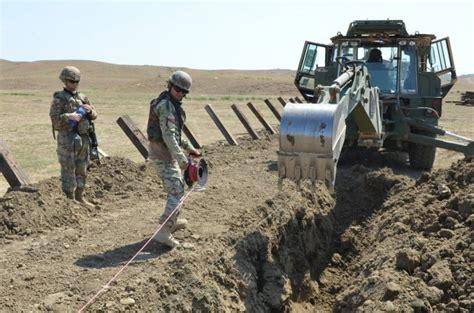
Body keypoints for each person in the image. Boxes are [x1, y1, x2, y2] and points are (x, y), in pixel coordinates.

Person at [147, 70, 200, 248]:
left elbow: (175, 135)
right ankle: (163, 231)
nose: (181, 94)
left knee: (177, 188)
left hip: (167, 152)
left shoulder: (171, 104)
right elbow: (168, 136)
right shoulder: (166, 106)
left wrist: (190, 148)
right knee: (176, 191)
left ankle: (172, 220)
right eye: (178, 89)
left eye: (185, 92)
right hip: (162, 154)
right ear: (170, 86)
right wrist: (182, 158)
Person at [49, 66, 97, 207]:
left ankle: (80, 197)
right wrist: (68, 116)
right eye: (71, 81)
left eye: (77, 81)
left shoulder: (83, 97)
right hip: (67, 140)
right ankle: (69, 201)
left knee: (82, 168)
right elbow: (55, 121)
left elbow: (95, 115)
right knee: (68, 169)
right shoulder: (59, 98)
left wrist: (90, 111)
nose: (74, 84)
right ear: (64, 81)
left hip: (83, 139)